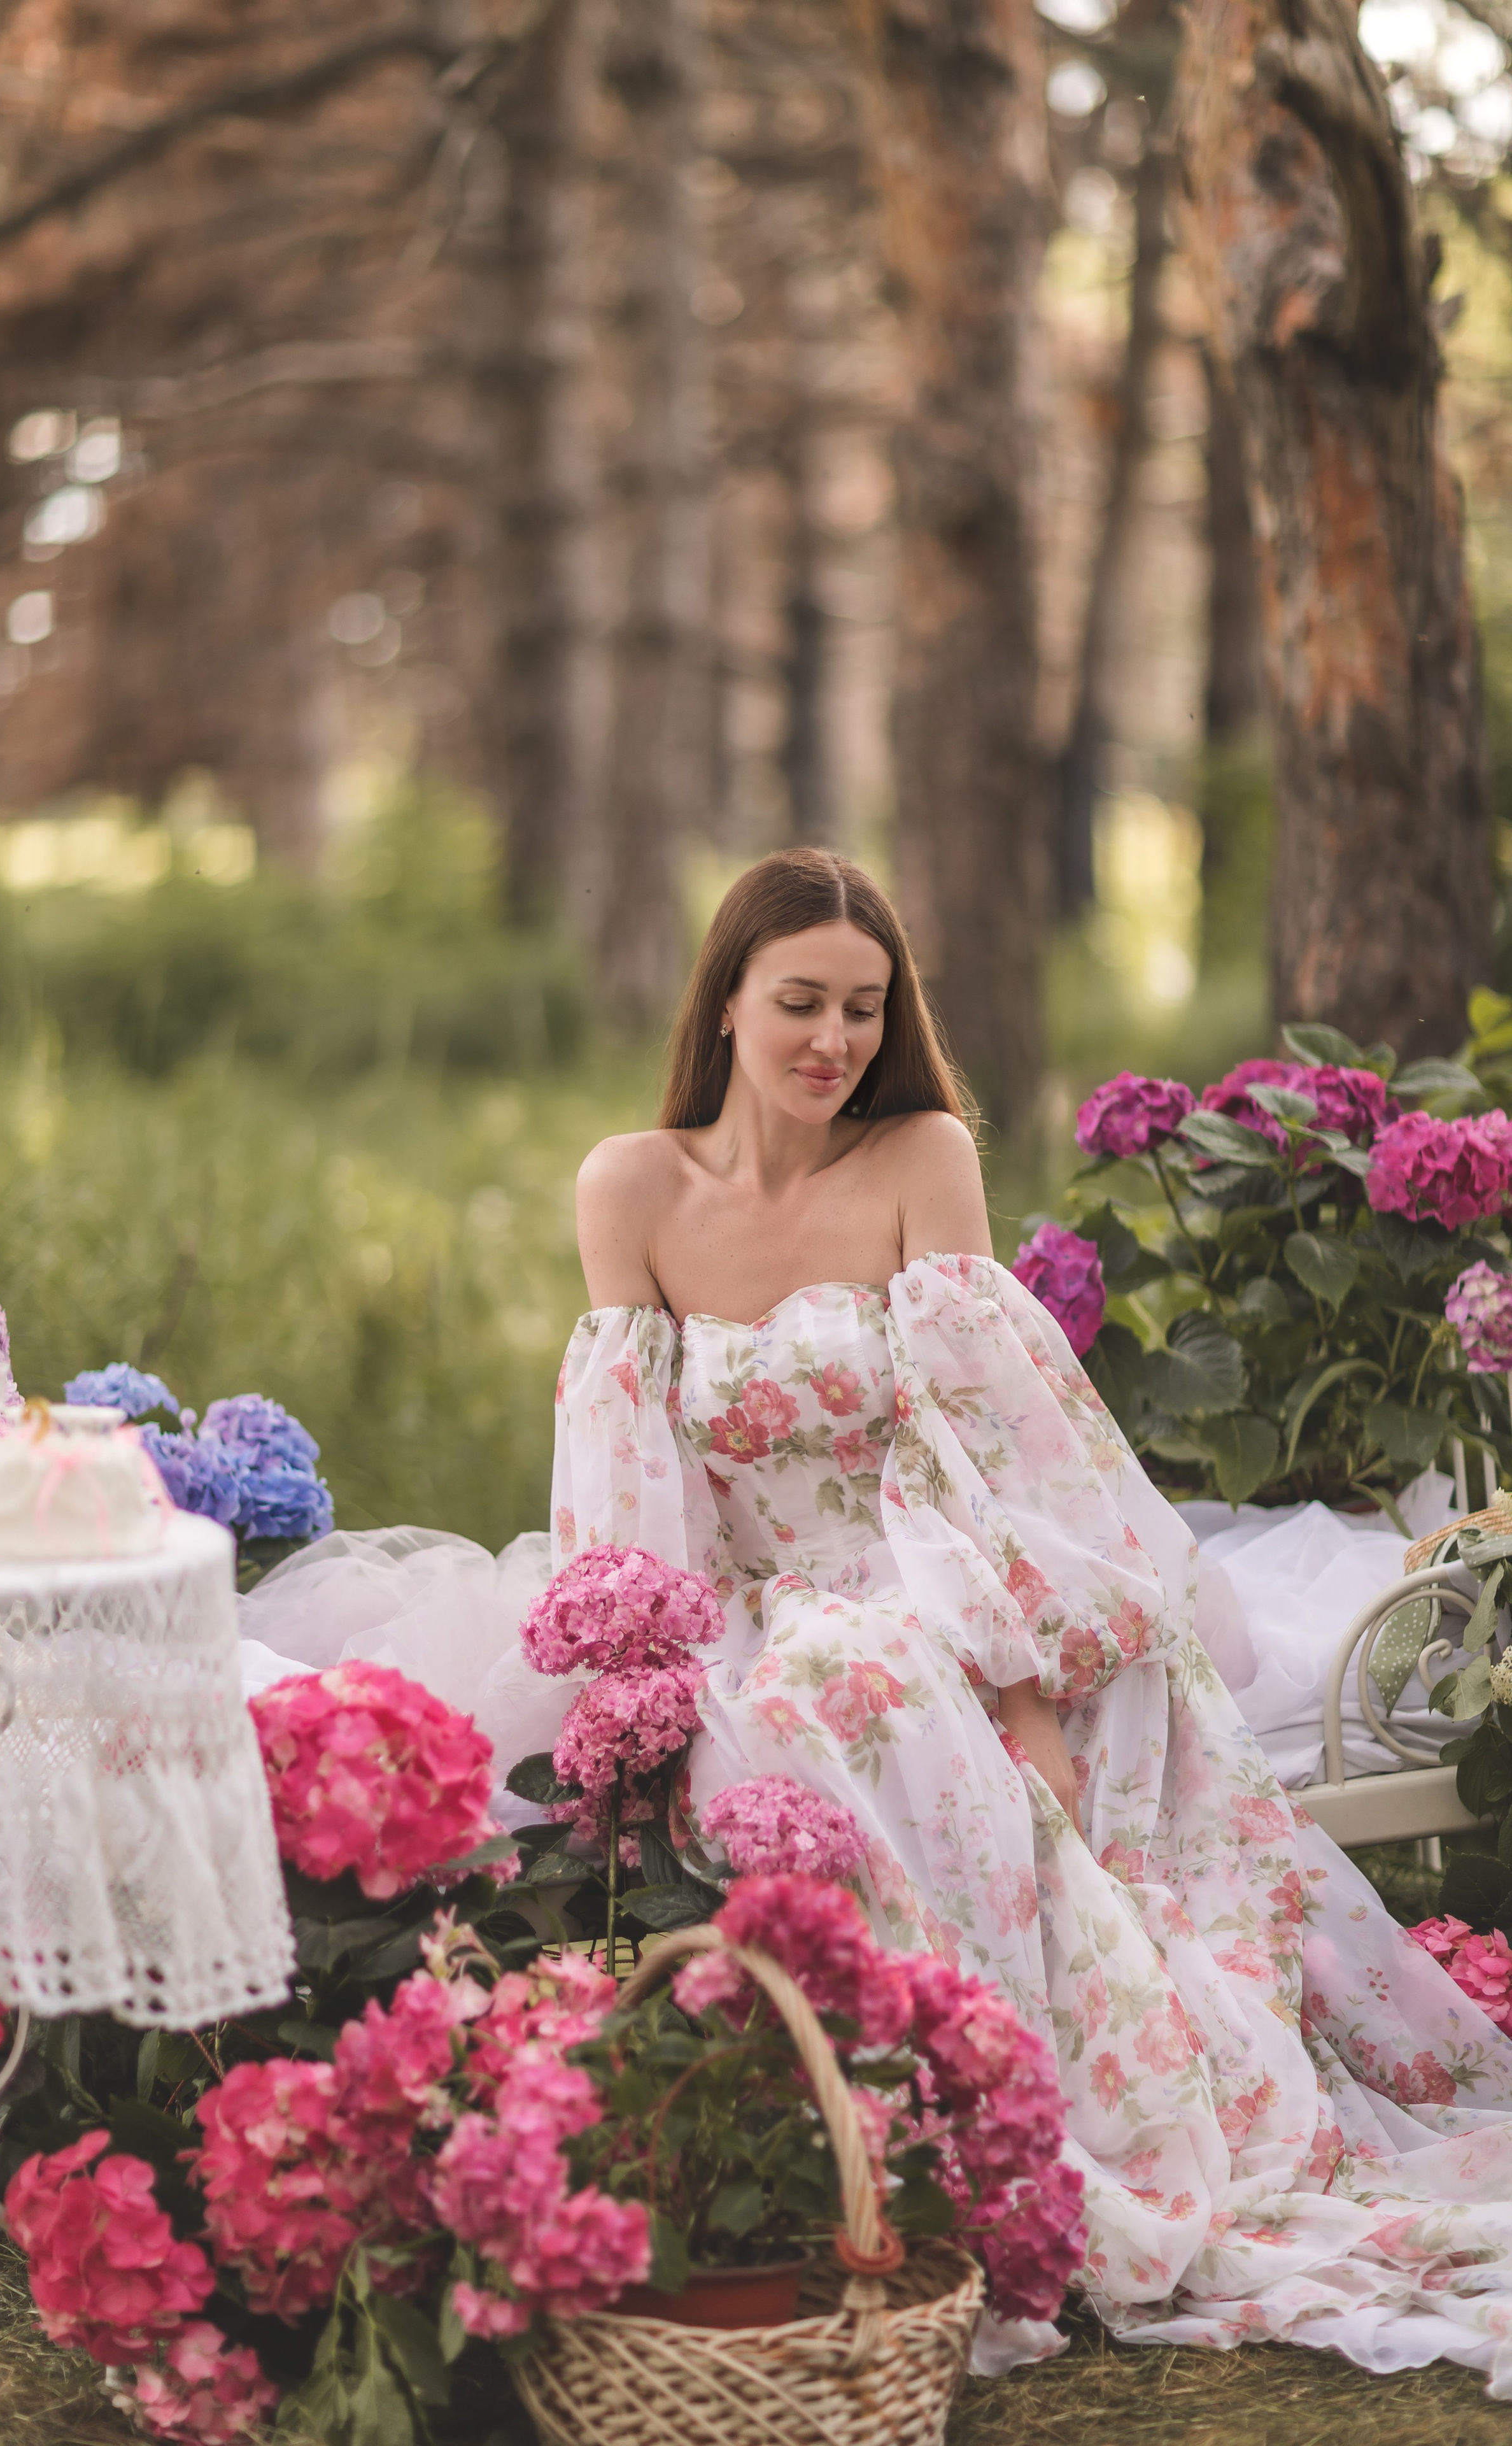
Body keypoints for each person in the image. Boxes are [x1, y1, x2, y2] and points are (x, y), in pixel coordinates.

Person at [244, 847, 1512, 2391]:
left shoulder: (917, 1155)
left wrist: (1022, 1681)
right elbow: (630, 1473)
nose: (831, 1040)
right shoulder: (628, 1186)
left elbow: (988, 1447)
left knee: (864, 1672)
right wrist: (658, 1662)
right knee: (775, 1703)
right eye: (797, 1002)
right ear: (722, 1002)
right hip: (740, 1603)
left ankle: (986, 2127)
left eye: (861, 1005)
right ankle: (877, 2126)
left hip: (936, 1583)